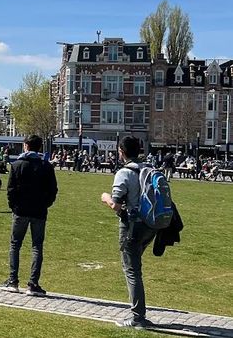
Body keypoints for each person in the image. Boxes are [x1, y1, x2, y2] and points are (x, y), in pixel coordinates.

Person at [100, 136, 157, 329]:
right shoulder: (149, 169)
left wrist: (105, 197)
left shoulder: (124, 172)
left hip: (132, 225)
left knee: (132, 270)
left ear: (121, 152)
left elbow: (116, 203)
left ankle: (137, 317)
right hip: (151, 225)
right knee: (135, 266)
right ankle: (138, 312)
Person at [0, 135, 58, 297]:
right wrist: (46, 204)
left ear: (25, 146)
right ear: (39, 148)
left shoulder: (17, 165)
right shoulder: (46, 166)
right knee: (37, 246)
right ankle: (33, 283)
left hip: (21, 210)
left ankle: (13, 280)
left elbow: (11, 190)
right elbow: (53, 190)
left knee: (15, 244)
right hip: (39, 211)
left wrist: (14, 206)